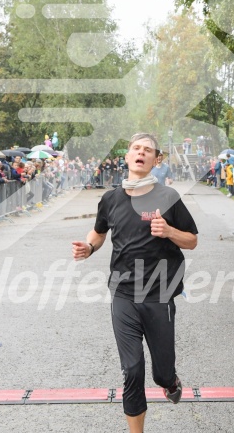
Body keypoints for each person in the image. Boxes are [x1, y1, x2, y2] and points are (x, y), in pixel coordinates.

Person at [72, 133, 198, 433]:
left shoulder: (169, 198)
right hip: (123, 293)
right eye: (136, 148)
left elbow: (192, 240)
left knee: (162, 372)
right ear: (127, 156)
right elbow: (99, 232)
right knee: (131, 369)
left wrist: (168, 231)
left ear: (157, 160)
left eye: (148, 150)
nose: (141, 153)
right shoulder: (111, 199)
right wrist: (89, 248)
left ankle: (170, 381)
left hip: (159, 292)